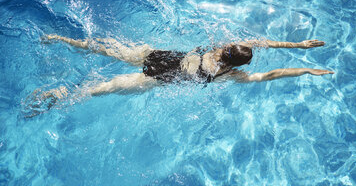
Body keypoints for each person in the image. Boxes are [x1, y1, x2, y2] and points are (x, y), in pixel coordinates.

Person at [24, 34, 333, 116]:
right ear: (237, 64)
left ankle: (62, 40)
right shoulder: (228, 75)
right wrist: (304, 68)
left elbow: (265, 42)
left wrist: (300, 45)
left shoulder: (220, 46)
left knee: (105, 50)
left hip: (160, 56)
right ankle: (61, 95)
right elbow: (271, 75)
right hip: (155, 80)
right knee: (100, 89)